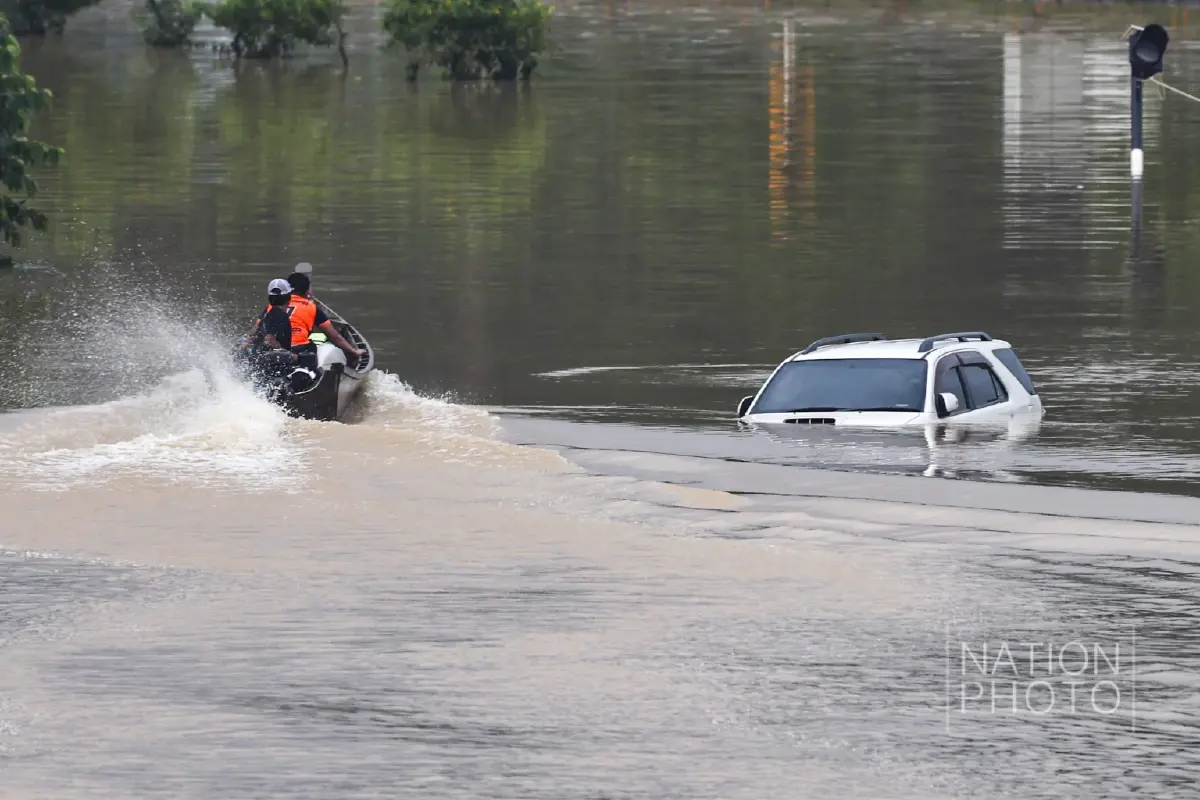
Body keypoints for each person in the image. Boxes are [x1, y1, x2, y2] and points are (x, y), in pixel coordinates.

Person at [283, 270, 367, 369]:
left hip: (279, 348)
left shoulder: (272, 306)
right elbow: (334, 336)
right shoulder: (312, 308)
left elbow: (260, 330)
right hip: (300, 348)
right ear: (306, 291)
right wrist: (354, 352)